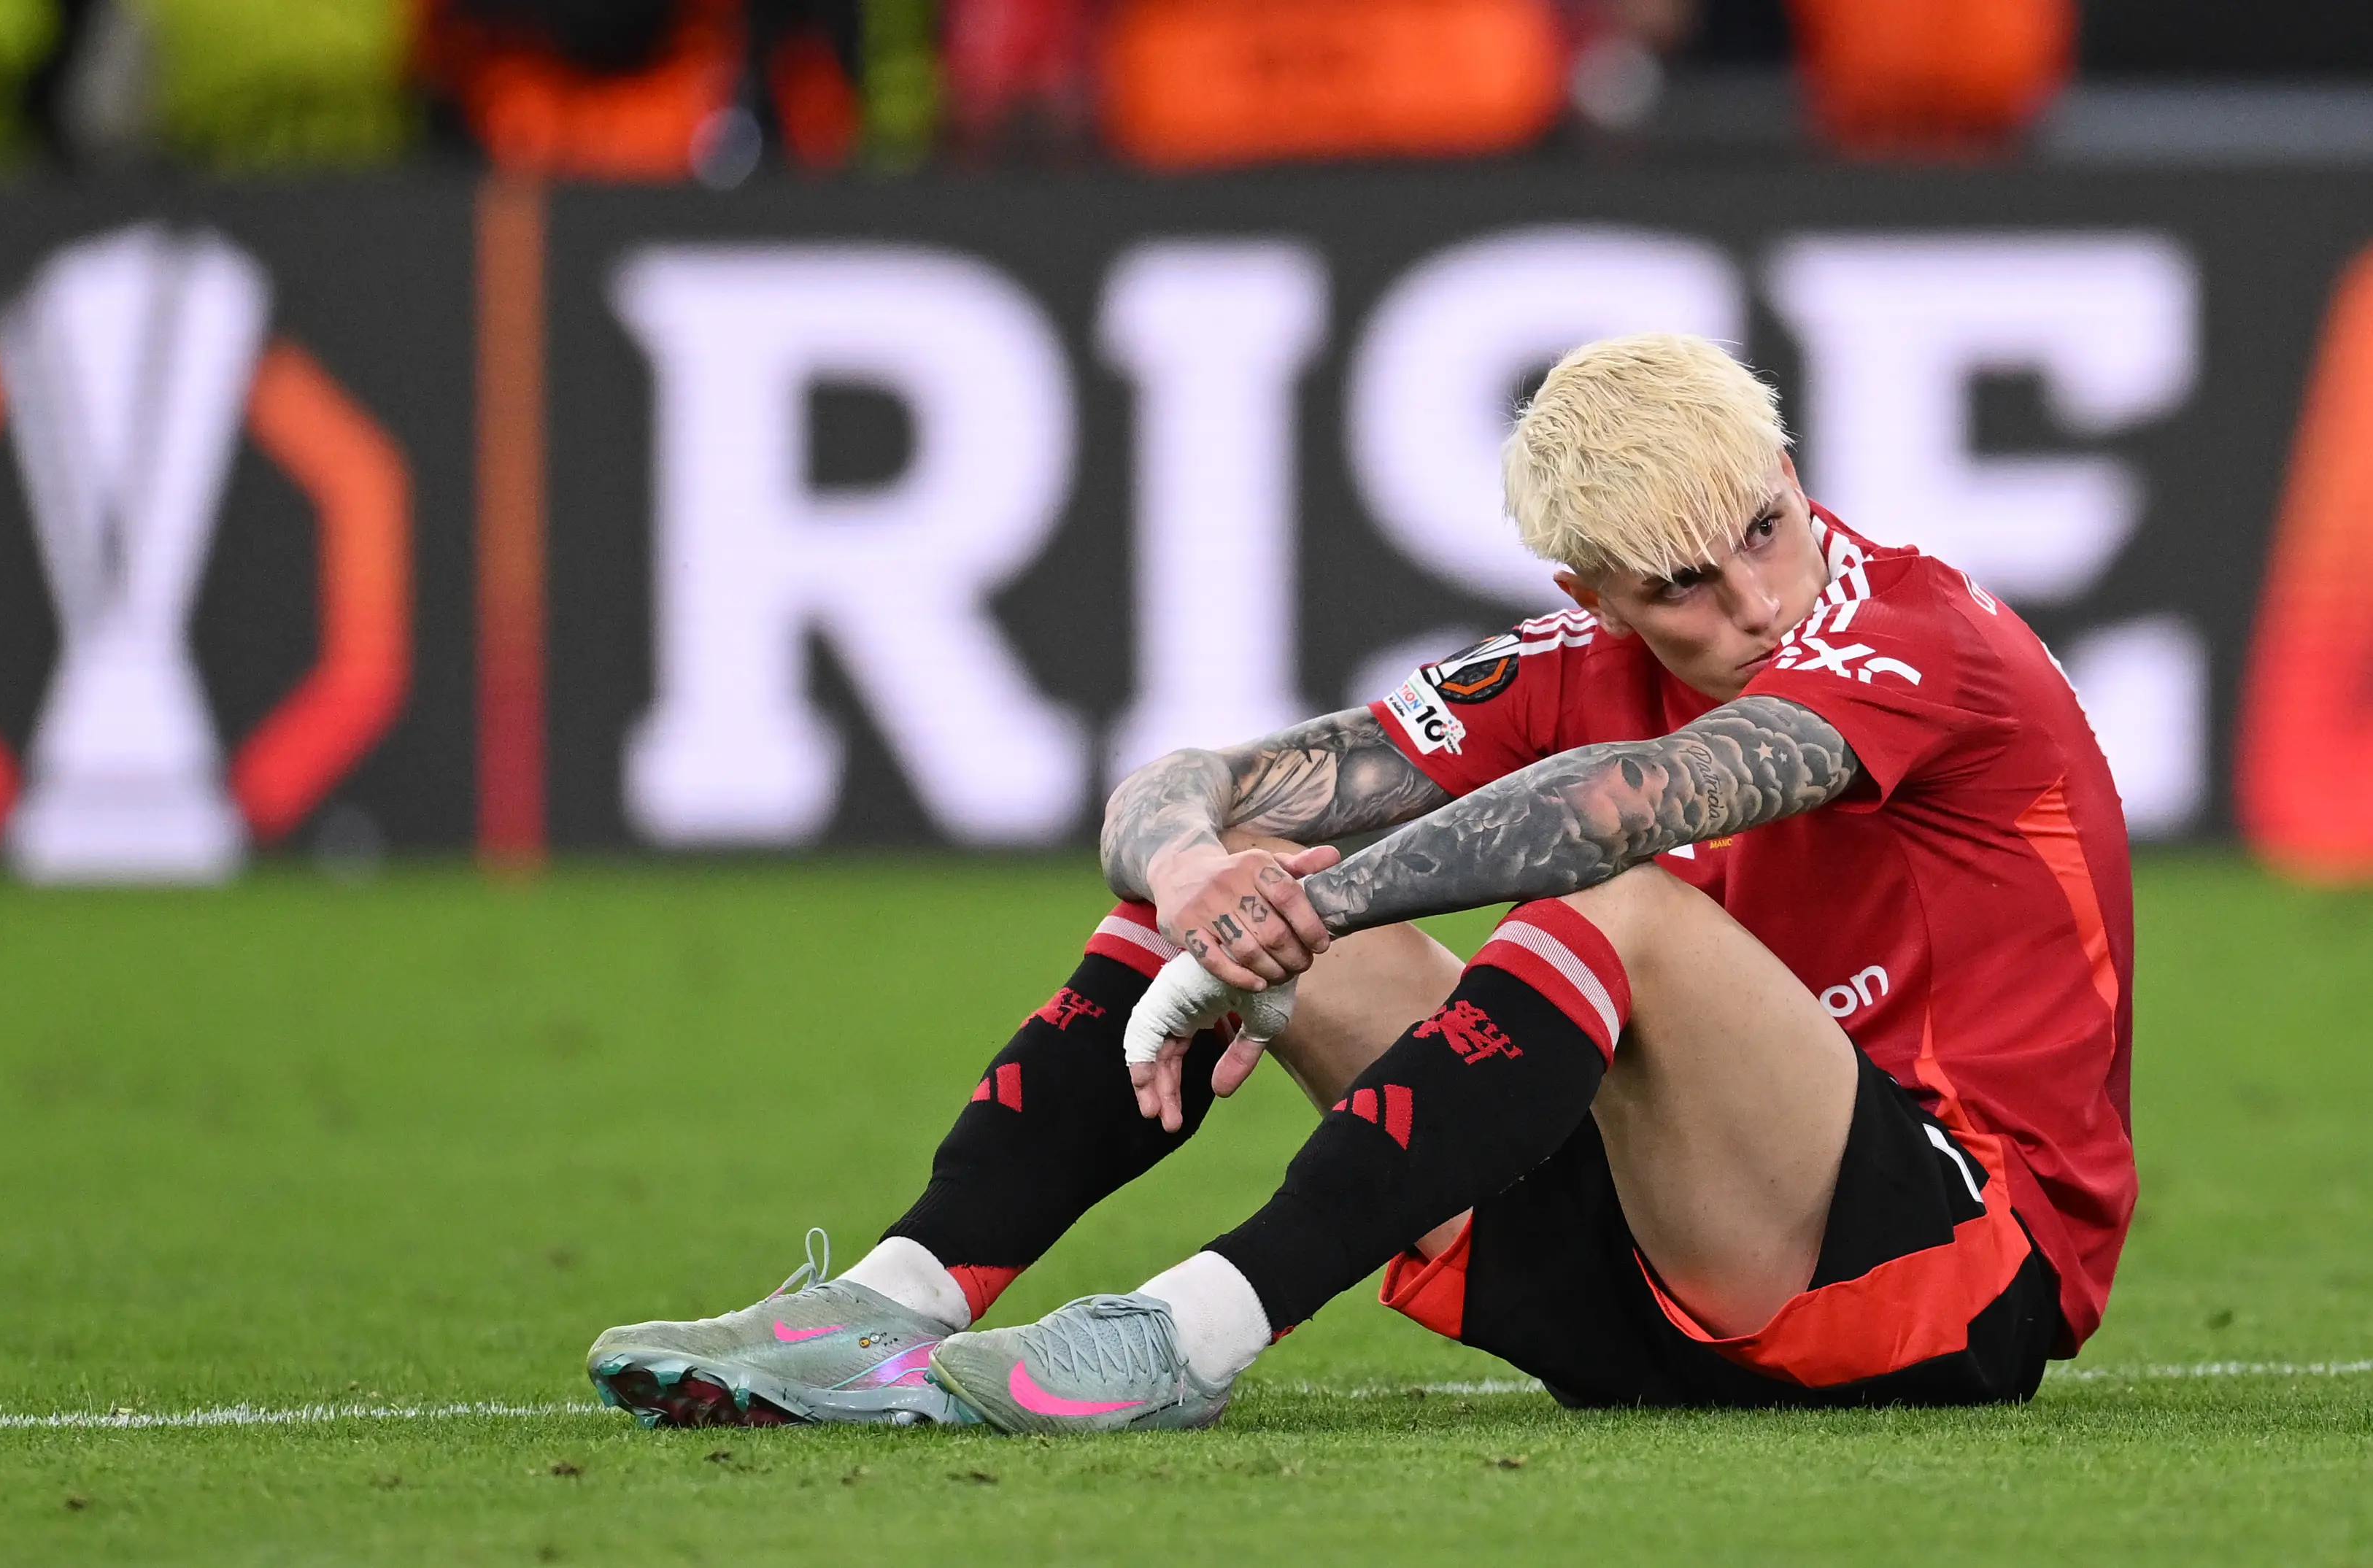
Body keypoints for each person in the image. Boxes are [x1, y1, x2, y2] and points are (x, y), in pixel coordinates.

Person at [586, 332, 2134, 1429]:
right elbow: (1190, 786)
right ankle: (892, 1302)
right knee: (1249, 868)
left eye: (1764, 531)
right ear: (1590, 594)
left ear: (1790, 473)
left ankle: (1187, 1334)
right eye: (1681, 586)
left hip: (1954, 1266)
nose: (1753, 602)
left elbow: (1623, 805)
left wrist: (1323, 907)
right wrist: (1201, 878)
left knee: (1615, 905)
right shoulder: (1575, 657)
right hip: (1657, 1267)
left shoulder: (1922, 639)